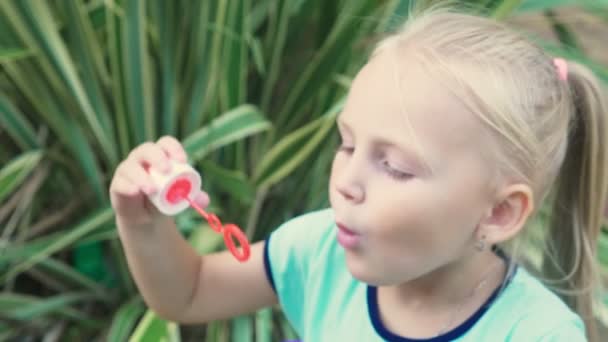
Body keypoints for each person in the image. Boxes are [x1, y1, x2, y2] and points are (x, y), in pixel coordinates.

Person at [109, 6, 608, 341]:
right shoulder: (321, 251)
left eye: (393, 166)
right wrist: (143, 222)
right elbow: (189, 291)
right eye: (346, 144)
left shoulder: (536, 333)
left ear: (499, 212)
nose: (346, 181)